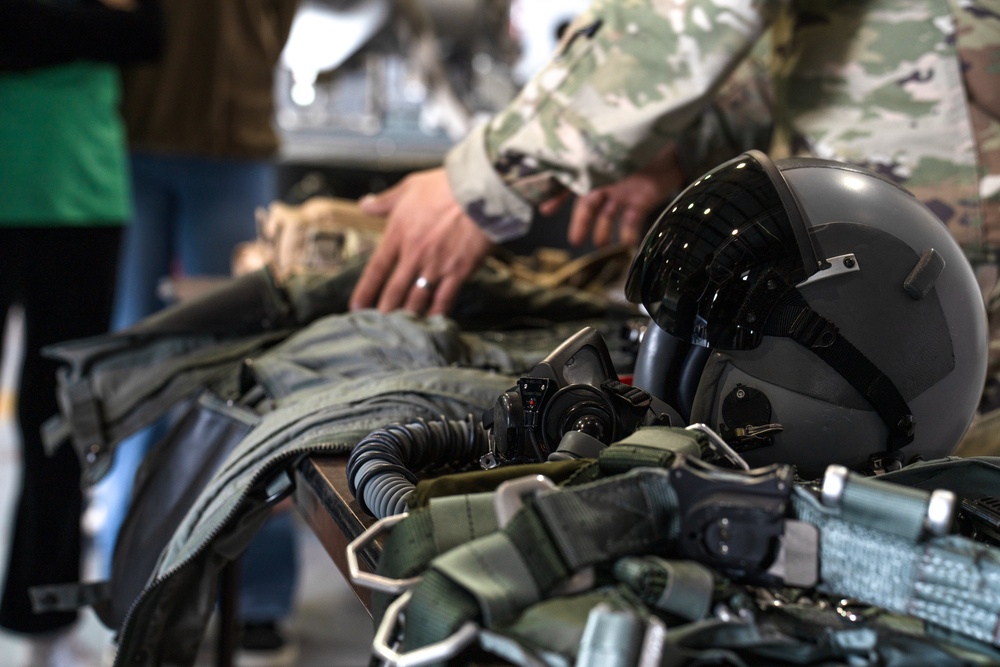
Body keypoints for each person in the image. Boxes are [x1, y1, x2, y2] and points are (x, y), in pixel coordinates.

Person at [349, 0, 1000, 319]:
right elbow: (831, 35)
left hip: (945, 228)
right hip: (907, 208)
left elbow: (692, 13)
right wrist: (687, 141)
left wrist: (491, 175)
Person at [88, 2, 304, 664]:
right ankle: (127, 577)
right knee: (140, 360)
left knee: (246, 372)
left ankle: (261, 594)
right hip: (134, 135)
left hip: (233, 138)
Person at [0, 1, 163, 665]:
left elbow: (144, 34)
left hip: (84, 190)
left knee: (60, 421)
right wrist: (87, 26)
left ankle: (42, 616)